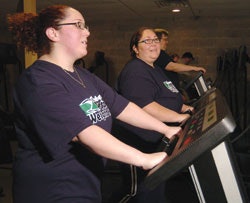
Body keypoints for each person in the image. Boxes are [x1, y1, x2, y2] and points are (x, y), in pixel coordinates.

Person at [7, 5, 181, 203]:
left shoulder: (83, 76)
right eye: (79, 25)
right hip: (53, 190)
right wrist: (143, 159)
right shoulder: (37, 81)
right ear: (53, 33)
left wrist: (167, 130)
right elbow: (85, 133)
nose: (87, 32)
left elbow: (123, 107)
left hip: (87, 183)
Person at [115, 27, 195, 203]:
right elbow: (145, 106)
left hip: (157, 140)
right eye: (147, 41)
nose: (153, 44)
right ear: (135, 48)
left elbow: (167, 98)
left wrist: (185, 108)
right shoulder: (135, 70)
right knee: (136, 190)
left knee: (155, 188)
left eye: (155, 40)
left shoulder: (155, 69)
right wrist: (178, 118)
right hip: (137, 141)